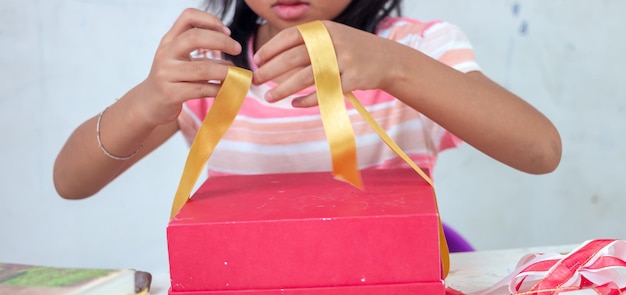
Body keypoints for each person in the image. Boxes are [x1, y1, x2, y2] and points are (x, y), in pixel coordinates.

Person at [53, 0, 561, 201]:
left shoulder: (414, 51)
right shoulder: (210, 67)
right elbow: (71, 182)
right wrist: (146, 101)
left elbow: (541, 151)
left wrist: (394, 66)